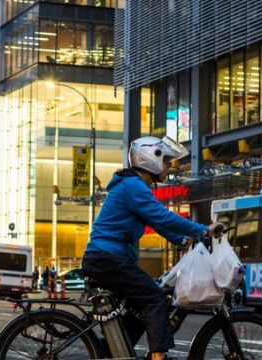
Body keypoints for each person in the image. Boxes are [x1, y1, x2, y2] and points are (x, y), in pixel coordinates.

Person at [83, 136, 221, 360]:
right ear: (151, 159)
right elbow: (162, 216)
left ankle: (112, 350)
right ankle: (159, 356)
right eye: (166, 161)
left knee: (140, 306)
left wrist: (182, 240)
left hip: (107, 259)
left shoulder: (132, 185)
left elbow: (156, 221)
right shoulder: (133, 186)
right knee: (155, 298)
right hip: (108, 259)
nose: (169, 166)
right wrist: (202, 230)